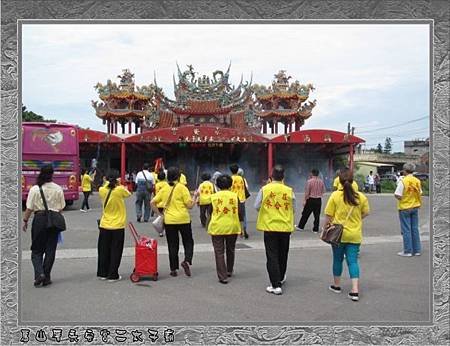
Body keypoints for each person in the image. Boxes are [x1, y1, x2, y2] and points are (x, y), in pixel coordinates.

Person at [323, 168, 370, 302]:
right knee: (353, 261)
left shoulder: (335, 196)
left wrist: (325, 227)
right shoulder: (361, 197)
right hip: (355, 234)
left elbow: (328, 215)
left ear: (340, 181)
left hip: (338, 234)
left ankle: (337, 285)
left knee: (337, 259)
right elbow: (366, 212)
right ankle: (354, 290)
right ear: (353, 180)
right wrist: (357, 219)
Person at [255, 165, 296, 295]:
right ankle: (281, 277)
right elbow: (293, 208)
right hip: (285, 226)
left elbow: (256, 206)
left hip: (270, 226)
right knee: (283, 254)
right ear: (283, 177)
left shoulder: (265, 189)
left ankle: (275, 285)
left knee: (272, 255)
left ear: (271, 176)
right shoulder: (289, 190)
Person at [22, 165, 66, 287]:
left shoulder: (35, 189)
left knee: (36, 249)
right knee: (50, 249)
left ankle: (39, 273)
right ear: (52, 174)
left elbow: (29, 208)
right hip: (54, 219)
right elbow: (61, 207)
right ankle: (46, 276)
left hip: (39, 219)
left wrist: (25, 220)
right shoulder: (58, 188)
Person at [151, 166, 197, 277]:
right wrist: (195, 197)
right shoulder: (182, 188)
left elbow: (152, 202)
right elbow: (189, 205)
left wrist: (160, 214)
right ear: (179, 176)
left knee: (172, 244)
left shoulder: (164, 189)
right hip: (183, 219)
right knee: (188, 241)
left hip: (169, 221)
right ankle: (186, 260)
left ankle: (173, 269)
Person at [208, 174, 243, 284]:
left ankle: (222, 276)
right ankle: (229, 270)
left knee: (219, 252)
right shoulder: (235, 196)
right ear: (230, 185)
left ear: (217, 185)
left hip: (217, 226)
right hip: (232, 226)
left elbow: (209, 212)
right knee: (230, 249)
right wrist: (241, 227)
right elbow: (240, 213)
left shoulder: (213, 197)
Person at [97, 170, 131, 281]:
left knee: (103, 249)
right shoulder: (120, 190)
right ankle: (113, 274)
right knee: (116, 250)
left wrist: (106, 182)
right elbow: (128, 193)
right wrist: (119, 184)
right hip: (118, 225)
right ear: (117, 179)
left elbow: (106, 186)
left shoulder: (101, 190)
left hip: (105, 224)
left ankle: (102, 273)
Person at [394, 163, 422, 257]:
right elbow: (420, 192)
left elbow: (397, 194)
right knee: (415, 228)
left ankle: (408, 250)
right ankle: (417, 250)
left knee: (406, 229)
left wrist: (402, 199)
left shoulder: (403, 181)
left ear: (404, 170)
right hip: (415, 206)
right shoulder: (417, 181)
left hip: (405, 207)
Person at [297, 168, 326, 233]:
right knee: (317, 215)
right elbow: (324, 191)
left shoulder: (309, 181)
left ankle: (301, 226)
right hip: (318, 200)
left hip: (311, 199)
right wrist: (319, 194)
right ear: (318, 174)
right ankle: (315, 229)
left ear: (311, 173)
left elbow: (307, 192)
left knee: (305, 214)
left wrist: (305, 200)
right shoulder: (321, 181)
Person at [230, 163, 249, 239]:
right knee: (242, 215)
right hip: (241, 199)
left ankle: (235, 230)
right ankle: (243, 230)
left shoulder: (230, 178)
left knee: (233, 215)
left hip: (233, 199)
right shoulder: (242, 179)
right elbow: (246, 188)